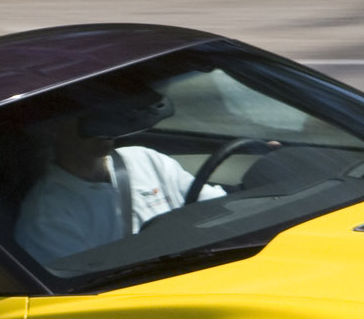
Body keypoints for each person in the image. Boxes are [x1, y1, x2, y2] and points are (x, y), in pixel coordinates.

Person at [15, 108, 215, 267]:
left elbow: (218, 210)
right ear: (52, 127)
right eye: (89, 116)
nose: (105, 123)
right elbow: (91, 289)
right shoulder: (46, 216)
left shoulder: (144, 159)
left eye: (106, 111)